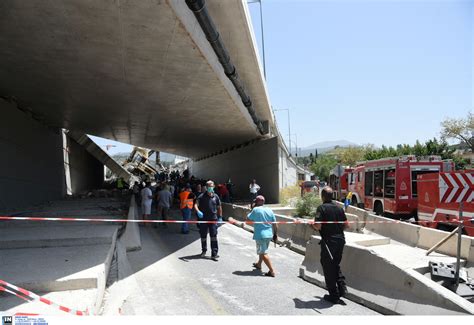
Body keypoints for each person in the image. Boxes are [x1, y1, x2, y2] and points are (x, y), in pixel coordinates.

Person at [312, 186, 349, 305]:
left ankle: (334, 296)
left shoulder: (321, 208)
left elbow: (318, 226)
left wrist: (311, 225)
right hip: (340, 240)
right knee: (335, 264)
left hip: (329, 242)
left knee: (328, 267)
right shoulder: (339, 208)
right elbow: (346, 225)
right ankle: (342, 289)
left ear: (322, 196)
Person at [246, 195, 278, 277]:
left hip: (260, 235)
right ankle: (259, 264)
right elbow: (275, 224)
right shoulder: (269, 210)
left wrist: (251, 210)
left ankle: (272, 271)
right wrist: (275, 234)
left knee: (263, 253)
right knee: (262, 250)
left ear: (256, 202)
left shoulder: (256, 209)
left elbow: (247, 221)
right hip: (269, 234)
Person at [194, 180, 222, 261]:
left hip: (213, 219)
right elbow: (196, 204)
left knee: (213, 236)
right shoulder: (201, 196)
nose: (211, 188)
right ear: (206, 187)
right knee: (203, 236)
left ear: (214, 187)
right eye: (209, 186)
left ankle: (214, 253)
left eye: (212, 186)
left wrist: (220, 217)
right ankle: (204, 250)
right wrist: (198, 211)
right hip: (203, 219)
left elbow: (219, 206)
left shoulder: (216, 196)